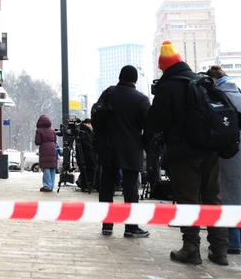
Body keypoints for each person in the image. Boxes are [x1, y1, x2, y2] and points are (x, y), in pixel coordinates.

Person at [149, 41, 229, 266]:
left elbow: (156, 121)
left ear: (164, 67)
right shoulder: (200, 81)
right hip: (209, 149)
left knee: (188, 199)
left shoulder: (168, 87)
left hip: (184, 153)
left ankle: (191, 248)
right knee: (212, 197)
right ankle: (220, 249)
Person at [96, 65, 151, 238]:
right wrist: (144, 144)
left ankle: (107, 225)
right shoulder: (141, 99)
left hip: (109, 147)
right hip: (131, 149)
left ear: (120, 77)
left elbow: (98, 116)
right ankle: (131, 227)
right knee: (130, 189)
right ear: (135, 80)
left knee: (106, 188)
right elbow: (148, 126)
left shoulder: (109, 93)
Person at [206, 66, 241, 255]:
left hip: (225, 152)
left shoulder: (220, 96)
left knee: (226, 195)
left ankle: (232, 242)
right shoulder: (239, 94)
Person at [35, 114, 58, 192]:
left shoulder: (39, 130)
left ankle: (47, 185)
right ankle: (51, 185)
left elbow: (37, 142)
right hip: (53, 148)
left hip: (44, 149)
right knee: (52, 167)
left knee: (46, 167)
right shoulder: (52, 130)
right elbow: (55, 140)